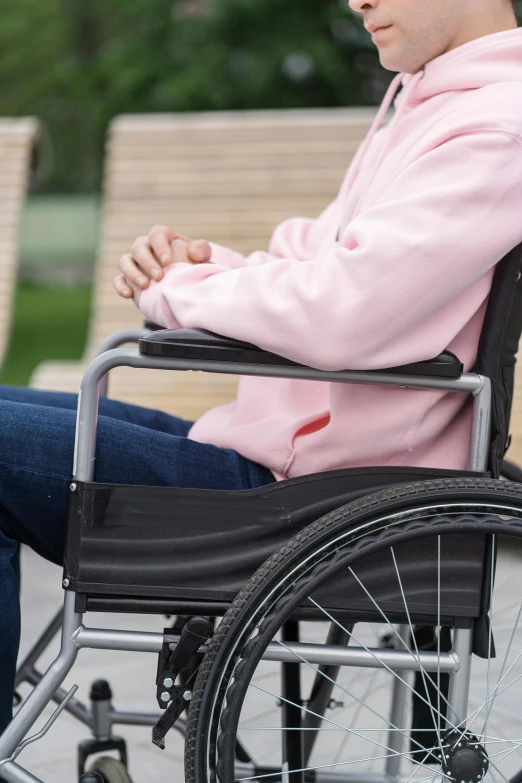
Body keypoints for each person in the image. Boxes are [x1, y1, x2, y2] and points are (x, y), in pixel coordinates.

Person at [1, 0, 521, 739]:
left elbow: (344, 311)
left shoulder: (495, 124)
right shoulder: (432, 98)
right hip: (282, 462)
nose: (356, 0)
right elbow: (317, 262)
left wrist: (180, 291)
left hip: (314, 497)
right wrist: (206, 268)